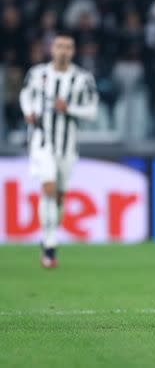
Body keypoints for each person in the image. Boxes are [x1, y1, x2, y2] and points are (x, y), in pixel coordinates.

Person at [19, 32, 99, 268]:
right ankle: (50, 246)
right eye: (59, 46)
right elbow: (26, 95)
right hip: (41, 142)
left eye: (68, 47)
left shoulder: (82, 78)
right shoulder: (37, 74)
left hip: (67, 146)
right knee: (49, 189)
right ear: (52, 49)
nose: (63, 50)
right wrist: (28, 111)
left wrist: (69, 108)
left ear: (73, 51)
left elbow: (92, 111)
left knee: (60, 195)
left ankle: (48, 237)